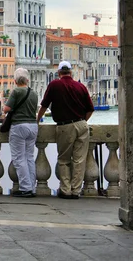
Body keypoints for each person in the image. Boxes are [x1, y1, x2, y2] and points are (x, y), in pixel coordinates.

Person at [37, 61, 94, 199]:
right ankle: (76, 191)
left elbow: (44, 105)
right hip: (81, 124)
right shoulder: (80, 86)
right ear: (71, 72)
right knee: (79, 160)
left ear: (59, 73)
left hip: (65, 126)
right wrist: (82, 122)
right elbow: (90, 109)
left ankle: (66, 190)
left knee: (64, 159)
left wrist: (37, 120)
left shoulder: (54, 85)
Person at [4, 68, 39, 198]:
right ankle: (32, 187)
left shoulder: (16, 91)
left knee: (19, 158)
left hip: (19, 126)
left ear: (15, 80)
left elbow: (6, 109)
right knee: (29, 157)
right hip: (33, 126)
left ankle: (25, 188)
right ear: (27, 80)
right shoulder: (34, 93)